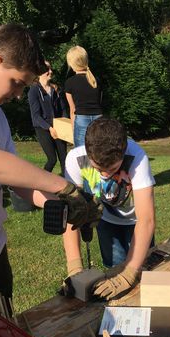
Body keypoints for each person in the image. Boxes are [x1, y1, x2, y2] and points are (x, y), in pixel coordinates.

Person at [0, 23, 101, 310]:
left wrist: (63, 204)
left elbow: (18, 182)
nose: (18, 94)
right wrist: (65, 186)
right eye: (16, 82)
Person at [62, 117, 155, 300]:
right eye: (98, 168)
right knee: (112, 274)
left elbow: (147, 220)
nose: (105, 174)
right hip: (107, 221)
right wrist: (74, 268)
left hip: (136, 222)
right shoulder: (76, 158)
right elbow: (69, 214)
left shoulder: (137, 157)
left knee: (143, 276)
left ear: (123, 151)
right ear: (89, 154)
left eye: (112, 168)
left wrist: (128, 274)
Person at [28, 61, 68, 176]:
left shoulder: (55, 89)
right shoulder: (34, 91)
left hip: (58, 126)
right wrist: (49, 128)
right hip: (43, 128)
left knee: (64, 158)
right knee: (52, 159)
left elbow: (63, 109)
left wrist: (64, 122)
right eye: (47, 69)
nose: (50, 71)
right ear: (39, 72)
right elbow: (36, 116)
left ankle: (67, 185)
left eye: (50, 69)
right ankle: (41, 183)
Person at [64, 46, 102, 147]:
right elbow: (99, 101)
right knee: (98, 151)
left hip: (81, 119)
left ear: (71, 63)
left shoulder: (69, 83)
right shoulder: (96, 80)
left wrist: (73, 129)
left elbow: (72, 110)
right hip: (99, 118)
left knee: (81, 154)